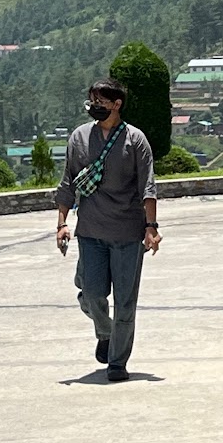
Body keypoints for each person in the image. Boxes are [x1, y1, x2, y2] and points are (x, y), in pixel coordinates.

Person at [54, 79, 161, 381]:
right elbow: (68, 184)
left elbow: (148, 187)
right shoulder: (79, 138)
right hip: (90, 232)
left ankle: (117, 362)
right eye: (91, 100)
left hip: (127, 233)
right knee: (90, 294)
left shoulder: (135, 140)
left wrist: (150, 227)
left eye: (101, 101)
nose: (94, 107)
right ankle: (105, 331)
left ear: (117, 105)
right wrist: (62, 223)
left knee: (125, 301)